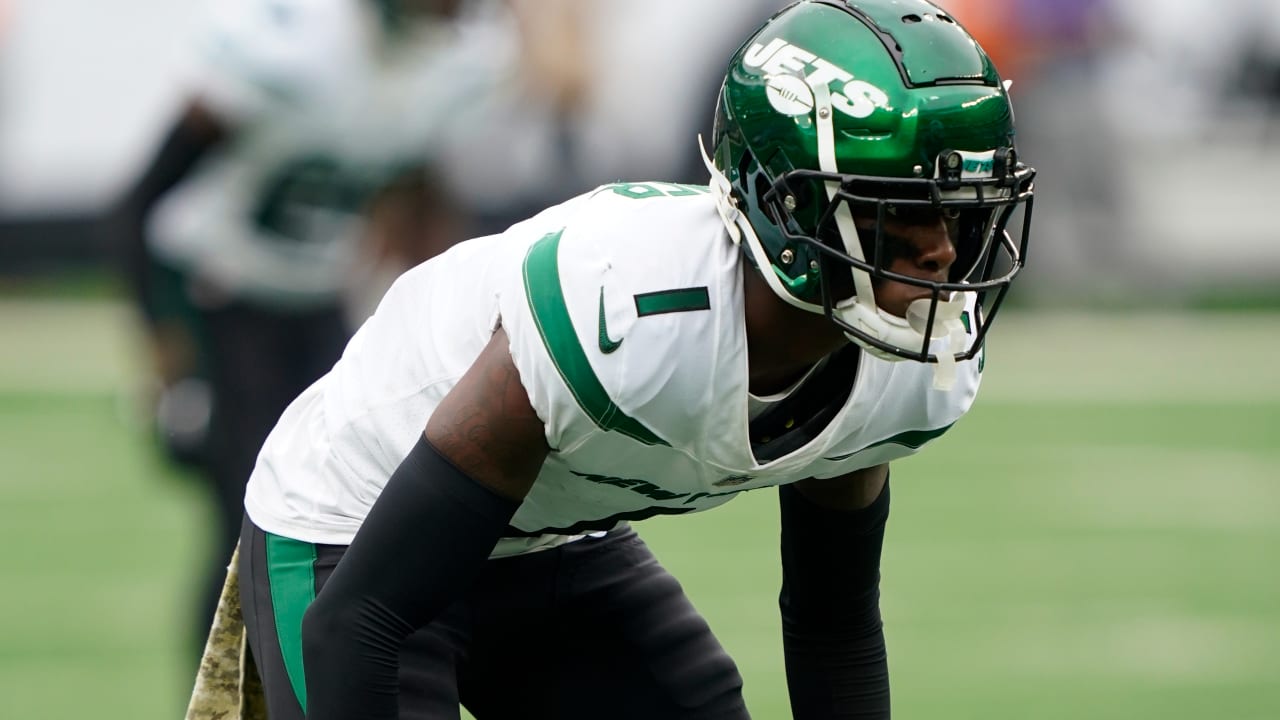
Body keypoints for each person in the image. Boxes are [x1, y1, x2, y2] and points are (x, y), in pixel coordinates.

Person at [230, 1, 1036, 717]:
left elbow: (835, 622)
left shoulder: (905, 367)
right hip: (356, 526)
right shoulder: (630, 309)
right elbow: (358, 619)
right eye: (899, 214)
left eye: (958, 214)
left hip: (549, 532)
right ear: (787, 206)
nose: (938, 255)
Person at [109, 0, 508, 655]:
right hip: (219, 293)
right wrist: (168, 353)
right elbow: (138, 202)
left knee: (342, 509)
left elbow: (416, 195)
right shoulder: (290, 42)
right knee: (250, 519)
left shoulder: (461, 60)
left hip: (318, 299)